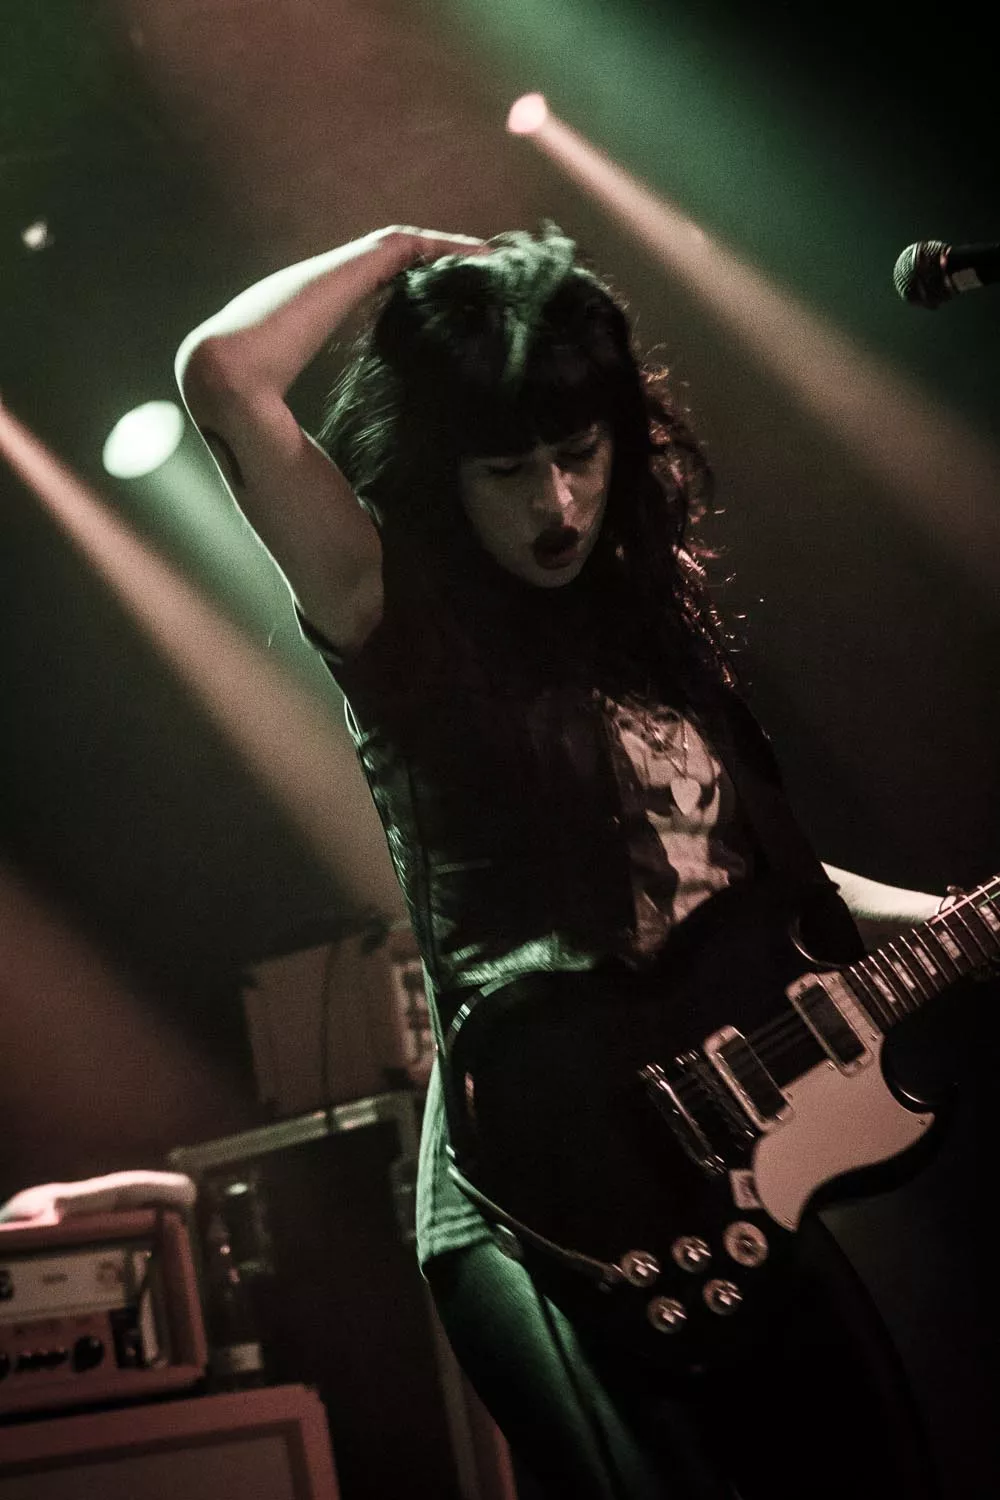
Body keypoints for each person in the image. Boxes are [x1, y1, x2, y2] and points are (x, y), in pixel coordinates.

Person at [176, 224, 957, 1498]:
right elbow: (220, 375)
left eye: (577, 455)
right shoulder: (389, 607)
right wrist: (395, 252)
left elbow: (785, 905)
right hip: (528, 1180)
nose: (554, 505)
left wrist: (959, 921)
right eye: (507, 469)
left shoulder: (653, 637)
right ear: (445, 470)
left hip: (715, 1182)